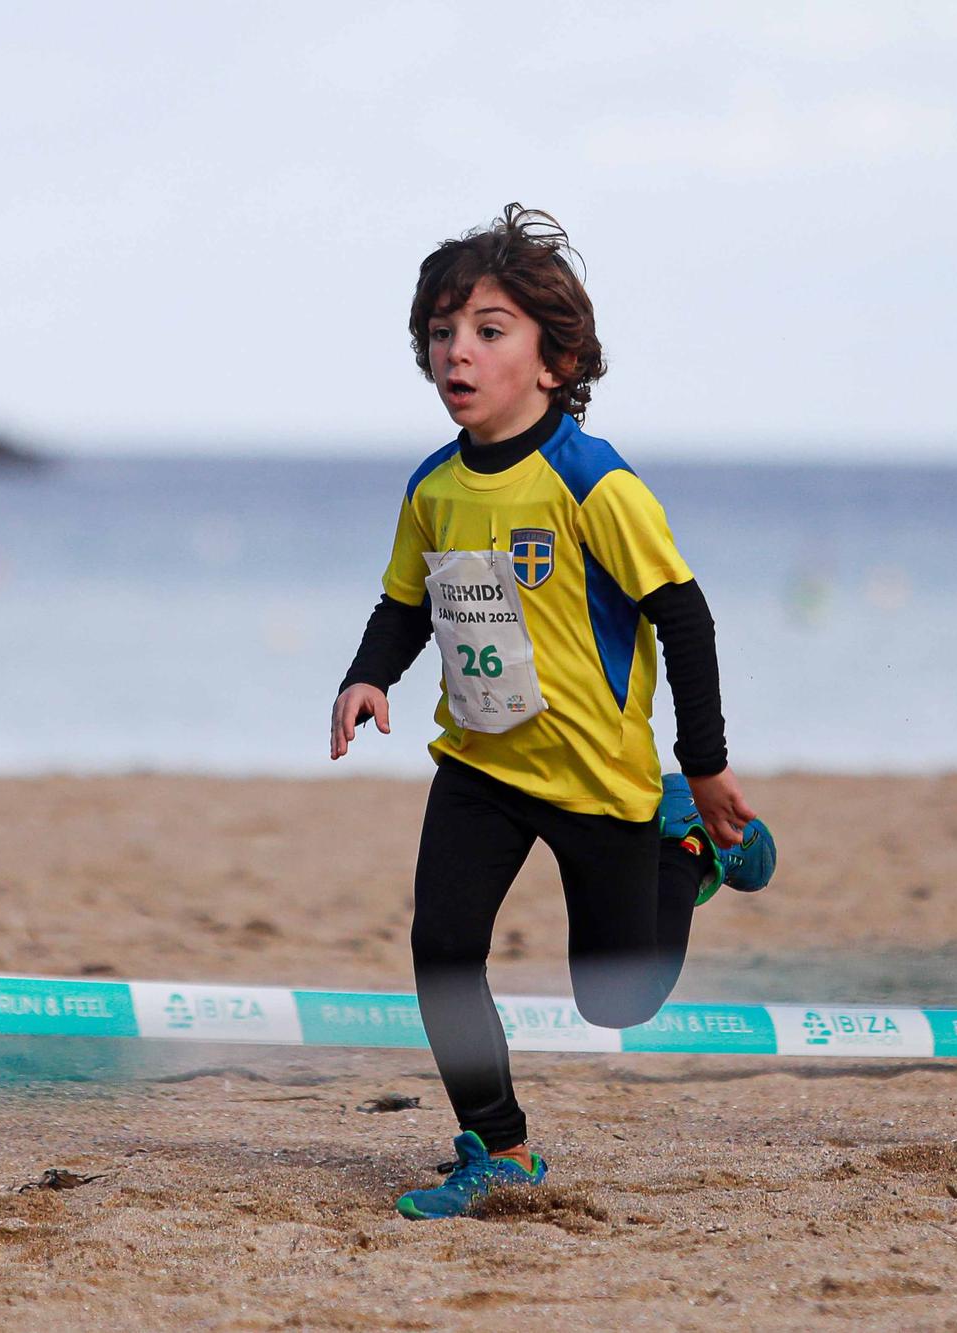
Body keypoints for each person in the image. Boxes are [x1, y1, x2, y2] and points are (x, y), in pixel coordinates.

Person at [329, 204, 776, 1220]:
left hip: (596, 778)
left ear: (550, 359)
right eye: (442, 332)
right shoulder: (432, 486)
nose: (458, 351)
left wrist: (701, 766)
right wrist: (368, 677)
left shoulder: (592, 480)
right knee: (440, 948)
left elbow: (685, 618)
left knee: (613, 1000)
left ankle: (685, 852)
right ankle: (502, 1148)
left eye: (488, 330)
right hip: (479, 764)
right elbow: (407, 600)